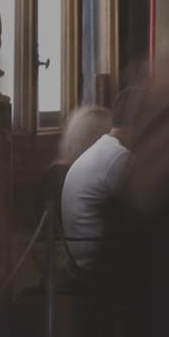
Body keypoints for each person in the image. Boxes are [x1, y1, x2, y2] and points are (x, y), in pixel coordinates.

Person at [61, 104, 129, 275]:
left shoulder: (101, 149)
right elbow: (137, 209)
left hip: (77, 256)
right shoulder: (118, 155)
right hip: (95, 262)